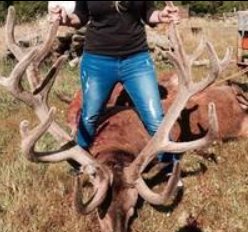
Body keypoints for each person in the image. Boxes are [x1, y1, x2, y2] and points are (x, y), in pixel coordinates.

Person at [49, 1, 181, 178]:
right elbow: (80, 16)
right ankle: (78, 161)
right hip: (97, 61)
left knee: (155, 118)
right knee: (90, 116)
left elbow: (149, 13)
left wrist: (161, 16)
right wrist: (65, 18)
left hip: (136, 60)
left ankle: (168, 165)